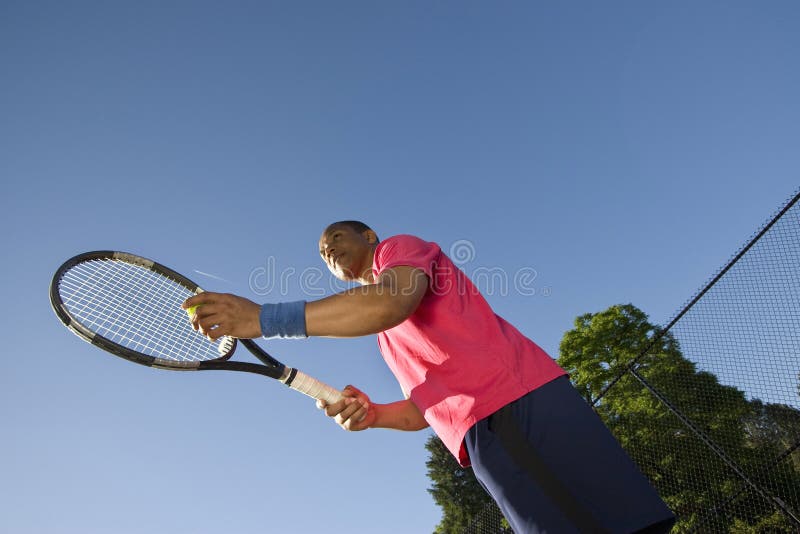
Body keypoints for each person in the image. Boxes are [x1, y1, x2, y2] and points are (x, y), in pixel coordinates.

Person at [183, 221, 676, 534]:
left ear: (370, 238)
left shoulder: (398, 255)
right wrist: (372, 415)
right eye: (320, 249)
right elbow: (426, 412)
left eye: (336, 236)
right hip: (485, 435)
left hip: (513, 405)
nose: (327, 247)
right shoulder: (384, 335)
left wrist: (264, 319)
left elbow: (388, 301)